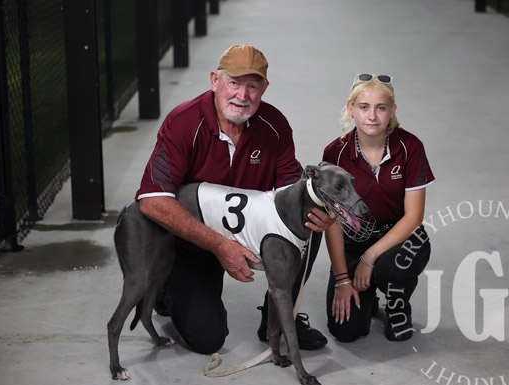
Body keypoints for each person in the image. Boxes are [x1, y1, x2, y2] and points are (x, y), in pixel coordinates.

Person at [136, 44, 330, 354]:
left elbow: (291, 195)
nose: (242, 95)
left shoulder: (275, 125)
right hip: (193, 242)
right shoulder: (183, 121)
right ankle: (165, 288)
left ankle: (278, 319)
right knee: (208, 339)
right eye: (234, 83)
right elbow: (152, 201)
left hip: (247, 232)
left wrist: (320, 212)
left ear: (264, 89)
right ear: (215, 81)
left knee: (308, 221)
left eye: (253, 86)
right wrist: (220, 246)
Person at [322, 73, 435, 342]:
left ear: (392, 111)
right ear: (351, 109)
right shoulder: (335, 153)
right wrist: (342, 279)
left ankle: (397, 304)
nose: (372, 116)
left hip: (400, 237)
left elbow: (414, 217)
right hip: (353, 240)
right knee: (346, 331)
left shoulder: (410, 147)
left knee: (391, 268)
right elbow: (332, 221)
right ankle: (367, 298)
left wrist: (369, 258)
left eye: (380, 108)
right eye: (364, 107)